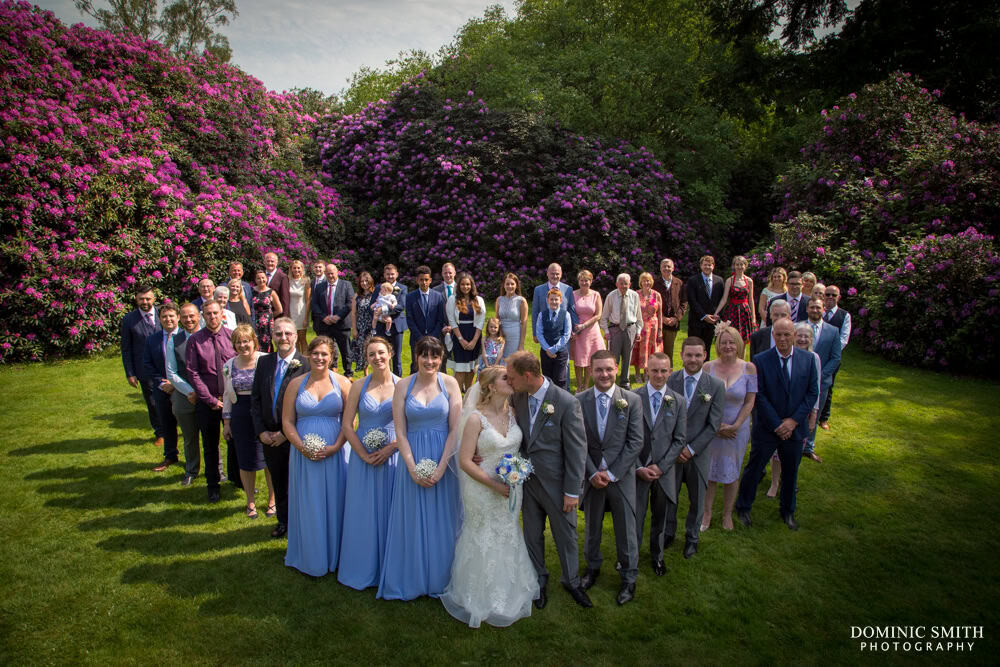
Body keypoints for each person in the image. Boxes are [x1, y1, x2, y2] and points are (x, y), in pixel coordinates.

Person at [440, 366, 540, 627]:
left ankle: (508, 590)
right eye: (506, 379)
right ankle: (476, 595)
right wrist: (493, 485)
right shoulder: (475, 418)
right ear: (492, 386)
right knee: (482, 534)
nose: (512, 380)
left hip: (511, 486)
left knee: (507, 531)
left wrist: (515, 474)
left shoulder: (514, 412)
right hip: (482, 487)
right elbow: (464, 461)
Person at [378, 337, 463, 600]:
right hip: (411, 457)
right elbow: (400, 431)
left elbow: (454, 430)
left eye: (435, 357)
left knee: (443, 520)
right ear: (416, 357)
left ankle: (442, 578)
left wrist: (440, 468)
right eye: (424, 356)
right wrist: (412, 467)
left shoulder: (449, 384)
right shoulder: (403, 385)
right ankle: (412, 578)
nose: (430, 361)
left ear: (441, 359)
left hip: (443, 458)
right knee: (412, 518)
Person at [506, 351, 591, 609]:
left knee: (566, 535)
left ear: (528, 375)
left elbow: (577, 450)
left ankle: (572, 581)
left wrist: (572, 491)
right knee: (532, 535)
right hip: (528, 483)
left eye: (512, 378)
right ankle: (539, 580)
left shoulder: (565, 402)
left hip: (558, 485)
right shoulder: (518, 397)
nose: (509, 382)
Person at [736, 318, 819, 531]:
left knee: (791, 472)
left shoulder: (808, 360)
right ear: (773, 335)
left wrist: (792, 422)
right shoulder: (761, 360)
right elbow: (759, 394)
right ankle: (743, 507)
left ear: (794, 335)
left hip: (795, 427)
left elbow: (812, 393)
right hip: (767, 427)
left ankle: (788, 511)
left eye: (787, 334)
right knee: (754, 468)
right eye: (778, 335)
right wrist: (777, 424)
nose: (782, 339)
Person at [576, 350, 643, 606]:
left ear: (616, 369)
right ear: (591, 371)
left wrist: (613, 473)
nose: (604, 374)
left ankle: (628, 577)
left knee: (626, 529)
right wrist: (592, 472)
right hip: (592, 477)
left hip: (621, 476)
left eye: (608, 369)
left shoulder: (632, 400)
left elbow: (635, 442)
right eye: (598, 370)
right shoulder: (579, 400)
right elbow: (577, 441)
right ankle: (592, 568)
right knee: (591, 527)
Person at [281, 336, 352, 575]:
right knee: (309, 501)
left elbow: (349, 421)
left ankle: (337, 553)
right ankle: (310, 554)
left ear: (332, 357)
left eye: (324, 354)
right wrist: (301, 447)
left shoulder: (342, 383)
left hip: (336, 451)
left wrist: (335, 446)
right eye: (315, 353)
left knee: (336, 500)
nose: (320, 358)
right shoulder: (295, 384)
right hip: (304, 454)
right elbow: (287, 421)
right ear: (308, 354)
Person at [338, 337, 400, 589]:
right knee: (363, 509)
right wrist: (362, 454)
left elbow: (410, 426)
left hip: (393, 454)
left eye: (381, 352)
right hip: (362, 455)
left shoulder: (403, 385)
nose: (377, 358)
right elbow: (346, 424)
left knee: (391, 508)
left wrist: (390, 448)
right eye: (371, 354)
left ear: (391, 353)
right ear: (366, 357)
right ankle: (363, 564)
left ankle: (391, 563)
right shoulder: (358, 386)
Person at [664, 337, 725, 557]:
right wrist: (675, 447)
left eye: (698, 355)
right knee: (670, 495)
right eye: (689, 355)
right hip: (672, 452)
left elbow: (714, 424)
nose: (693, 359)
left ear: (705, 356)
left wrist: (691, 449)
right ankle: (668, 532)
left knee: (697, 498)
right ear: (681, 355)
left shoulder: (715, 386)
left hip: (698, 453)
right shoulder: (670, 380)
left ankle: (692, 538)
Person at [251, 317, 309, 539]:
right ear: (272, 336)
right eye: (278, 333)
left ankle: (301, 522)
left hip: (294, 435)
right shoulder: (264, 362)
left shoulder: (305, 364)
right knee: (278, 480)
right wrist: (261, 432)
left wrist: (286, 434)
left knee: (298, 482)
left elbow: (307, 405)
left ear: (295, 336)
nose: (283, 337)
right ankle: (283, 521)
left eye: (287, 333)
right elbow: (255, 400)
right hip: (269, 436)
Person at [633, 352, 686, 576]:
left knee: (661, 517)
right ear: (646, 371)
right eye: (654, 370)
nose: (659, 375)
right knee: (634, 517)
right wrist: (638, 466)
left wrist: (662, 466)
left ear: (670, 372)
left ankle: (658, 556)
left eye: (664, 371)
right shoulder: (633, 398)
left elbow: (680, 439)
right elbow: (626, 438)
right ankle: (630, 557)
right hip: (639, 470)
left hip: (664, 472)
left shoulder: (678, 401)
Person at [700, 327, 757, 532]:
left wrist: (736, 425)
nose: (727, 346)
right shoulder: (707, 368)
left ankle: (726, 514)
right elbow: (702, 401)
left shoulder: (749, 368)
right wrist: (714, 426)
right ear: (718, 345)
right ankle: (706, 513)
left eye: (732, 342)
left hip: (737, 429)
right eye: (723, 342)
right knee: (709, 472)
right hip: (712, 428)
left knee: (732, 472)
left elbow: (750, 401)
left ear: (739, 344)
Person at [185, 300, 235, 502]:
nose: (212, 317)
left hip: (233, 400)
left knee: (235, 444)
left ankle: (238, 480)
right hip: (208, 403)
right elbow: (193, 373)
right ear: (202, 316)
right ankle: (213, 486)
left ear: (222, 313)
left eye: (215, 313)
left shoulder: (232, 336)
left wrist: (230, 398)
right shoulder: (195, 341)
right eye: (208, 314)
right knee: (210, 445)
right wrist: (210, 399)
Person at [222, 325, 273, 519]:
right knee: (245, 460)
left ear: (254, 341)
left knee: (269, 458)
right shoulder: (228, 365)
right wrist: (227, 422)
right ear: (234, 345)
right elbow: (227, 394)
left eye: (246, 341)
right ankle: (250, 501)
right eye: (239, 342)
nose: (243, 345)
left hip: (264, 411)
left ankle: (272, 500)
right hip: (241, 413)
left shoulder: (266, 360)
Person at [166, 303, 204, 486]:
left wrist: (202, 392)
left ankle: (218, 471)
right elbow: (171, 372)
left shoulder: (207, 336)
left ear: (199, 316)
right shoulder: (173, 340)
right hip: (184, 395)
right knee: (189, 437)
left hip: (206, 394)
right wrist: (190, 391)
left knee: (211, 435)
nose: (189, 320)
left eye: (192, 316)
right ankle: (191, 470)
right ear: (180, 319)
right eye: (184, 316)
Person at [120, 284, 163, 447]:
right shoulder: (129, 319)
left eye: (147, 298)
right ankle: (160, 433)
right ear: (136, 299)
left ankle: (175, 428)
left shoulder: (163, 314)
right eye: (141, 299)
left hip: (167, 364)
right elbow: (126, 349)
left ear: (154, 298)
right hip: (144, 369)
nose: (144, 302)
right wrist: (129, 373)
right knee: (153, 402)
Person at [802, 298, 842, 462]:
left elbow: (835, 358)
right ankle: (796, 442)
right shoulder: (799, 327)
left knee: (815, 414)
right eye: (812, 307)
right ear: (807, 309)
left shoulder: (833, 331)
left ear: (823, 309)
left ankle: (809, 447)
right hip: (800, 379)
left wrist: (820, 375)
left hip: (822, 382)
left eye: (818, 307)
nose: (815, 310)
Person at [142, 304, 181, 471]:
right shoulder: (152, 339)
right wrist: (161, 382)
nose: (168, 319)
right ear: (159, 319)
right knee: (166, 423)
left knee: (190, 427)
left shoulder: (187, 337)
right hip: (162, 388)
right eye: (164, 316)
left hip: (184, 388)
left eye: (171, 316)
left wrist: (176, 383)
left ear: (178, 317)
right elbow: (147, 364)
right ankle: (170, 456)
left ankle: (195, 461)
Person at [310, 263, 354, 376]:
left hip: (342, 324)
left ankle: (348, 374)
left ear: (337, 272)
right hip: (325, 324)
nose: (330, 276)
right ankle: (328, 373)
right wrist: (323, 317)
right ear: (325, 274)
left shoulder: (346, 285)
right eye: (328, 273)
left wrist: (338, 316)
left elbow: (350, 303)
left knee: (346, 351)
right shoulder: (319, 287)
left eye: (332, 273)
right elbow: (314, 304)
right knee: (326, 350)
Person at [599, 273, 643, 387]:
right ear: (617, 284)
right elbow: (604, 317)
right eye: (621, 283)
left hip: (630, 328)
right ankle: (611, 381)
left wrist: (638, 331)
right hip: (615, 329)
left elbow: (638, 316)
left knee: (628, 357)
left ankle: (625, 382)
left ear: (630, 284)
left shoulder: (634, 296)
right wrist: (606, 332)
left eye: (626, 283)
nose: (623, 286)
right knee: (614, 358)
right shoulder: (611, 296)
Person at [446, 272, 485, 393]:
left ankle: (468, 398)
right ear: (459, 286)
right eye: (462, 284)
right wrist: (461, 340)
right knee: (460, 369)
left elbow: (480, 322)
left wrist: (474, 341)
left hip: (474, 336)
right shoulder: (453, 299)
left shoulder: (478, 300)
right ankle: (456, 399)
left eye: (468, 284)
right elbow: (452, 321)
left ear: (471, 285)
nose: (465, 287)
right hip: (459, 336)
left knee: (471, 369)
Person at [819, 285, 852, 430]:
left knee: (828, 385)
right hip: (816, 354)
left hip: (832, 357)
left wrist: (832, 353)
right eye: (828, 294)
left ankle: (823, 418)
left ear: (839, 297)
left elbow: (844, 339)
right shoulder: (818, 311)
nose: (830, 297)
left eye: (834, 295)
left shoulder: (844, 315)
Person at [405, 266, 447, 375]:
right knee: (416, 364)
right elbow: (410, 320)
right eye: (421, 280)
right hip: (416, 338)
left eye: (426, 280)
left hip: (434, 338)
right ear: (417, 280)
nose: (424, 282)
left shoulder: (438, 296)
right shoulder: (410, 297)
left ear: (430, 280)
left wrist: (432, 336)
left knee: (434, 364)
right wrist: (420, 337)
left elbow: (440, 319)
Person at [713, 256, 756, 357]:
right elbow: (724, 299)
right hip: (732, 312)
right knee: (730, 337)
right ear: (734, 266)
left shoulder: (749, 281)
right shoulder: (730, 280)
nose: (739, 266)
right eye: (737, 264)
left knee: (743, 341)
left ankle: (741, 363)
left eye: (742, 264)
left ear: (745, 266)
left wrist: (753, 318)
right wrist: (716, 312)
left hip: (745, 312)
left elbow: (751, 299)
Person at [570, 269, 605, 392]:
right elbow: (569, 312)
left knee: (590, 359)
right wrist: (572, 330)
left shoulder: (596, 295)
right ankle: (579, 386)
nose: (584, 282)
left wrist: (584, 326)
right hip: (577, 333)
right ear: (578, 281)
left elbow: (598, 315)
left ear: (591, 281)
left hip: (591, 331)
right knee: (578, 360)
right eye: (582, 280)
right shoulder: (572, 294)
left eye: (587, 280)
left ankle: (586, 385)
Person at [686, 255, 725, 360]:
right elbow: (692, 301)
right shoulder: (693, 281)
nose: (707, 267)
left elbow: (722, 300)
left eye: (709, 265)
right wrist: (704, 316)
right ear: (701, 266)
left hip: (713, 322)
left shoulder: (719, 281)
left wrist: (717, 316)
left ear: (713, 266)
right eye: (705, 265)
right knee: (693, 349)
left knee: (707, 350)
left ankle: (705, 371)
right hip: (697, 322)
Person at [535, 288, 572, 391]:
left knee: (560, 379)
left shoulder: (566, 315)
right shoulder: (542, 315)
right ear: (547, 300)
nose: (554, 302)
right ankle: (547, 402)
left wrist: (554, 349)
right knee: (547, 379)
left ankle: (561, 401)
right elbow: (539, 333)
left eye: (556, 299)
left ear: (561, 301)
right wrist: (547, 349)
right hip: (545, 352)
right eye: (551, 299)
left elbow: (566, 335)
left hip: (560, 352)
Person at [531, 263, 578, 344]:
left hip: (563, 333)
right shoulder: (538, 290)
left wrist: (574, 329)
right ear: (547, 274)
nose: (555, 276)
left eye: (557, 274)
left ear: (561, 274)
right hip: (545, 333)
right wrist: (535, 333)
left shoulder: (568, 289)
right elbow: (535, 312)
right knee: (546, 354)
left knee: (564, 356)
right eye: (552, 273)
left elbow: (571, 310)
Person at [629, 272, 662, 384]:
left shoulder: (656, 295)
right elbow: (632, 312)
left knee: (651, 350)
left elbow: (660, 314)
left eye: (648, 280)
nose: (646, 282)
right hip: (639, 326)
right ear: (641, 282)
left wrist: (660, 330)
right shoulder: (635, 294)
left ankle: (647, 373)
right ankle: (638, 374)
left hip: (653, 326)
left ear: (651, 282)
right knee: (638, 350)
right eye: (644, 280)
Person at [652, 258, 687, 361]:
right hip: (658, 323)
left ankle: (668, 373)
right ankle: (654, 372)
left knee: (669, 350)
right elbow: (651, 303)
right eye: (664, 266)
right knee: (656, 349)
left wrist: (676, 318)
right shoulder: (654, 283)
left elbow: (684, 303)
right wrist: (662, 318)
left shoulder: (679, 283)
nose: (666, 268)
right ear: (660, 268)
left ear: (673, 268)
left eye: (669, 266)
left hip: (672, 323)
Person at [376, 264, 407, 377]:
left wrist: (383, 309)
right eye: (388, 274)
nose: (390, 276)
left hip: (397, 325)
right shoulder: (378, 288)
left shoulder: (402, 288)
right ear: (384, 275)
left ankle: (398, 381)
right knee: (382, 354)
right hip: (381, 326)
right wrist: (381, 317)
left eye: (392, 274)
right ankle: (383, 378)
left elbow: (400, 306)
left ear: (397, 274)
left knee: (396, 357)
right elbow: (372, 305)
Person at [495, 272, 528, 361]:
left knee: (513, 362)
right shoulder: (499, 300)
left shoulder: (521, 301)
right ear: (504, 285)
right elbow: (496, 321)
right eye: (507, 284)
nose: (510, 286)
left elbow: (524, 323)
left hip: (515, 336)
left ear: (516, 285)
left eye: (512, 284)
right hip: (501, 336)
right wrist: (497, 335)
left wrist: (521, 344)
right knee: (500, 361)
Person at [350, 271, 377, 375]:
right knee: (363, 352)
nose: (364, 283)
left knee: (373, 350)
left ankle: (375, 373)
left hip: (372, 327)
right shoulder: (357, 296)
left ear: (370, 281)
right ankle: (366, 375)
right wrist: (354, 329)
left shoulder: (375, 294)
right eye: (362, 281)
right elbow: (353, 313)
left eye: (366, 281)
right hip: (361, 327)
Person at [434, 262, 459, 367]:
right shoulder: (435, 291)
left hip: (459, 329)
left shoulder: (462, 288)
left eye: (450, 272)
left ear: (455, 273)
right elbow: (435, 312)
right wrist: (443, 326)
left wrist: (453, 326)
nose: (448, 275)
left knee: (458, 360)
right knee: (442, 359)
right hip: (442, 330)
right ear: (442, 274)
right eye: (445, 273)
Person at [252, 269, 283, 353]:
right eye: (258, 278)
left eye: (263, 278)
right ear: (255, 280)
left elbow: (279, 309)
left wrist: (269, 316)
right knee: (254, 341)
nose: (261, 280)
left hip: (267, 324)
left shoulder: (271, 292)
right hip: (254, 321)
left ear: (266, 279)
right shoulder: (251, 291)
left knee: (266, 343)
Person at [287, 260, 311, 354]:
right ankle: (296, 361)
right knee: (293, 340)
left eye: (298, 268)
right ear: (291, 269)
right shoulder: (288, 280)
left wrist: (306, 318)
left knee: (302, 339)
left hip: (301, 312)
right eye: (294, 268)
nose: (296, 270)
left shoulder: (306, 281)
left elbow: (308, 300)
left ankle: (306, 361)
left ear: (302, 269)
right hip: (290, 313)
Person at [263, 251, 291, 317]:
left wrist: (284, 317)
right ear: (264, 262)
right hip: (261, 314)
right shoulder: (260, 275)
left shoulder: (282, 277)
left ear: (276, 263)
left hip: (277, 315)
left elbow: (285, 299)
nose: (270, 263)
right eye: (268, 261)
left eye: (272, 261)